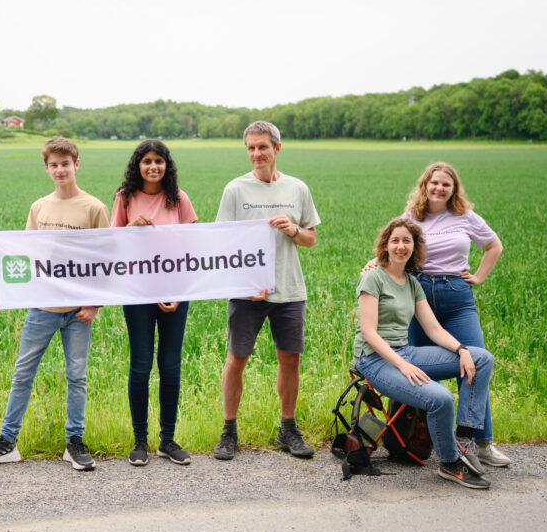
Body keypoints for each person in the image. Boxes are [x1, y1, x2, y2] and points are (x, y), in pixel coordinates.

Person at [365, 162, 509, 468]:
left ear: (454, 189)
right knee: (417, 371)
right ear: (424, 186)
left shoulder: (465, 217)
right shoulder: (411, 217)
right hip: (417, 295)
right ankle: (413, 441)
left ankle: (480, 442)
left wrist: (480, 277)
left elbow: (494, 246)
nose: (439, 188)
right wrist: (371, 264)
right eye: (434, 183)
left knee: (472, 363)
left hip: (456, 296)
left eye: (446, 184)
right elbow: (394, 243)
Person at [0, 137, 110, 471]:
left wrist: (94, 304)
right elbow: (26, 250)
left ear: (76, 164)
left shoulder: (93, 207)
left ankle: (74, 443)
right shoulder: (39, 207)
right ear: (46, 168)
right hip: (42, 308)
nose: (60, 170)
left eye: (66, 163)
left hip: (78, 311)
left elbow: (105, 259)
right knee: (23, 372)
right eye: (54, 164)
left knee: (76, 375)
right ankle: (7, 441)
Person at [354, 217, 495, 489]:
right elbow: (369, 332)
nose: (400, 246)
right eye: (395, 240)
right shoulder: (372, 277)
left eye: (407, 241)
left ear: (415, 247)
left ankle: (464, 436)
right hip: (374, 359)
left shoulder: (411, 283)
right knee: (440, 398)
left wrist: (461, 350)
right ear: (385, 244)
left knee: (481, 358)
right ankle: (449, 464)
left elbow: (432, 328)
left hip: (404, 352)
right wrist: (402, 365)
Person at [212, 120, 319, 461]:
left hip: (289, 290)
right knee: (236, 360)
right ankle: (229, 432)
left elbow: (311, 239)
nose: (256, 154)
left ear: (277, 148)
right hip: (247, 294)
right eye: (251, 148)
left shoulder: (297, 189)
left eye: (262, 147)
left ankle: (288, 429)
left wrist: (294, 229)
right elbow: (222, 243)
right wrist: (245, 283)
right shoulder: (235, 190)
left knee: (290, 360)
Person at [111, 140, 198, 466]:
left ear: (166, 165)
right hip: (137, 293)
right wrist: (130, 228)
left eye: (159, 161)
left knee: (171, 366)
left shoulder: (179, 199)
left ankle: (167, 440)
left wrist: (178, 292)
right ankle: (139, 442)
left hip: (175, 293)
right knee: (140, 365)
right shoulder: (125, 197)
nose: (153, 166)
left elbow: (193, 248)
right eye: (147, 161)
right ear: (138, 165)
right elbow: (110, 244)